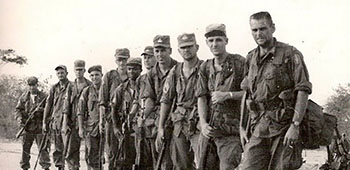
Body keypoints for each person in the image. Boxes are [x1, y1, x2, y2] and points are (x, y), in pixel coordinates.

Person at [240, 11, 312, 170]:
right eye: (254, 30)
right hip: (258, 126)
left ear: (272, 28)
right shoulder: (251, 58)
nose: (258, 33)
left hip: (283, 127)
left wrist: (295, 125)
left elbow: (303, 90)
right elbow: (247, 94)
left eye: (263, 28)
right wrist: (242, 127)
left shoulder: (290, 53)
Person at [196, 23, 245, 170]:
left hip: (231, 132)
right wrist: (203, 123)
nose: (214, 44)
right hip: (210, 131)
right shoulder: (205, 67)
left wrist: (228, 95)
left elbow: (250, 94)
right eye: (211, 41)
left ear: (226, 41)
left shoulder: (239, 63)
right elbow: (201, 97)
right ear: (206, 43)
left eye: (218, 40)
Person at [156, 33, 202, 170]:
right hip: (180, 124)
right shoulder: (175, 71)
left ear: (197, 47)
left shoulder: (205, 68)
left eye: (189, 47)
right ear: (178, 51)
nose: (186, 50)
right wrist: (160, 127)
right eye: (183, 47)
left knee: (204, 162)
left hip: (198, 123)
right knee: (181, 164)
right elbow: (166, 100)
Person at [142, 35, 177, 170]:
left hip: (176, 118)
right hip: (158, 121)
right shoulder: (152, 74)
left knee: (180, 160)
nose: (160, 54)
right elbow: (150, 97)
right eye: (157, 51)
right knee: (161, 159)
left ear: (170, 50)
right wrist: (143, 116)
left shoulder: (178, 68)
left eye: (163, 50)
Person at [99, 48, 129, 170]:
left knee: (128, 153)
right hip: (112, 120)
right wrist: (101, 120)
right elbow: (102, 101)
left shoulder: (132, 74)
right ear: (115, 60)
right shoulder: (110, 76)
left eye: (124, 59)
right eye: (119, 60)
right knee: (112, 152)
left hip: (129, 120)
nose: (122, 63)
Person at [110, 57, 142, 170]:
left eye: (135, 69)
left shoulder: (145, 86)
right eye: (129, 69)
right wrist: (115, 128)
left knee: (142, 160)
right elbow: (113, 109)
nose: (131, 71)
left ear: (140, 70)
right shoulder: (121, 89)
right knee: (125, 160)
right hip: (127, 129)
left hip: (142, 129)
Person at [15, 76, 51, 170]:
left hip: (40, 127)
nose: (32, 88)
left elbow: (50, 111)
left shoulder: (44, 96)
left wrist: (41, 110)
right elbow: (18, 110)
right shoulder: (23, 97)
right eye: (30, 85)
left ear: (37, 85)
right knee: (25, 149)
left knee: (43, 148)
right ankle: (25, 167)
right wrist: (20, 120)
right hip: (27, 127)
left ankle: (46, 166)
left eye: (33, 85)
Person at [131, 46, 157, 170]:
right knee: (142, 158)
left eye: (150, 57)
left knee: (157, 158)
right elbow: (137, 99)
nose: (147, 60)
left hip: (154, 123)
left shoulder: (159, 76)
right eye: (145, 58)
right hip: (142, 125)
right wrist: (131, 115)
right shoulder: (141, 79)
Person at [63, 60, 91, 170]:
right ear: (74, 71)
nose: (79, 72)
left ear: (84, 70)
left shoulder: (89, 84)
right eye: (77, 70)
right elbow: (66, 106)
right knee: (71, 151)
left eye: (81, 70)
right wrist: (65, 123)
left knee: (90, 150)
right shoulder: (70, 86)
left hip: (87, 121)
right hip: (73, 121)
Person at [43, 65, 71, 170]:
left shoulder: (71, 86)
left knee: (69, 147)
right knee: (57, 147)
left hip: (67, 121)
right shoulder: (54, 88)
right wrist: (44, 122)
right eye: (58, 73)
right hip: (55, 121)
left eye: (62, 73)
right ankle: (60, 166)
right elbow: (48, 105)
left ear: (66, 73)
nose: (60, 75)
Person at [78, 65, 105, 170]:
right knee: (91, 155)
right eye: (92, 75)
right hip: (91, 128)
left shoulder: (107, 89)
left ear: (101, 75)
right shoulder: (86, 91)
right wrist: (81, 128)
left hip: (105, 127)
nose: (94, 77)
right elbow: (80, 112)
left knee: (105, 155)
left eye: (97, 75)